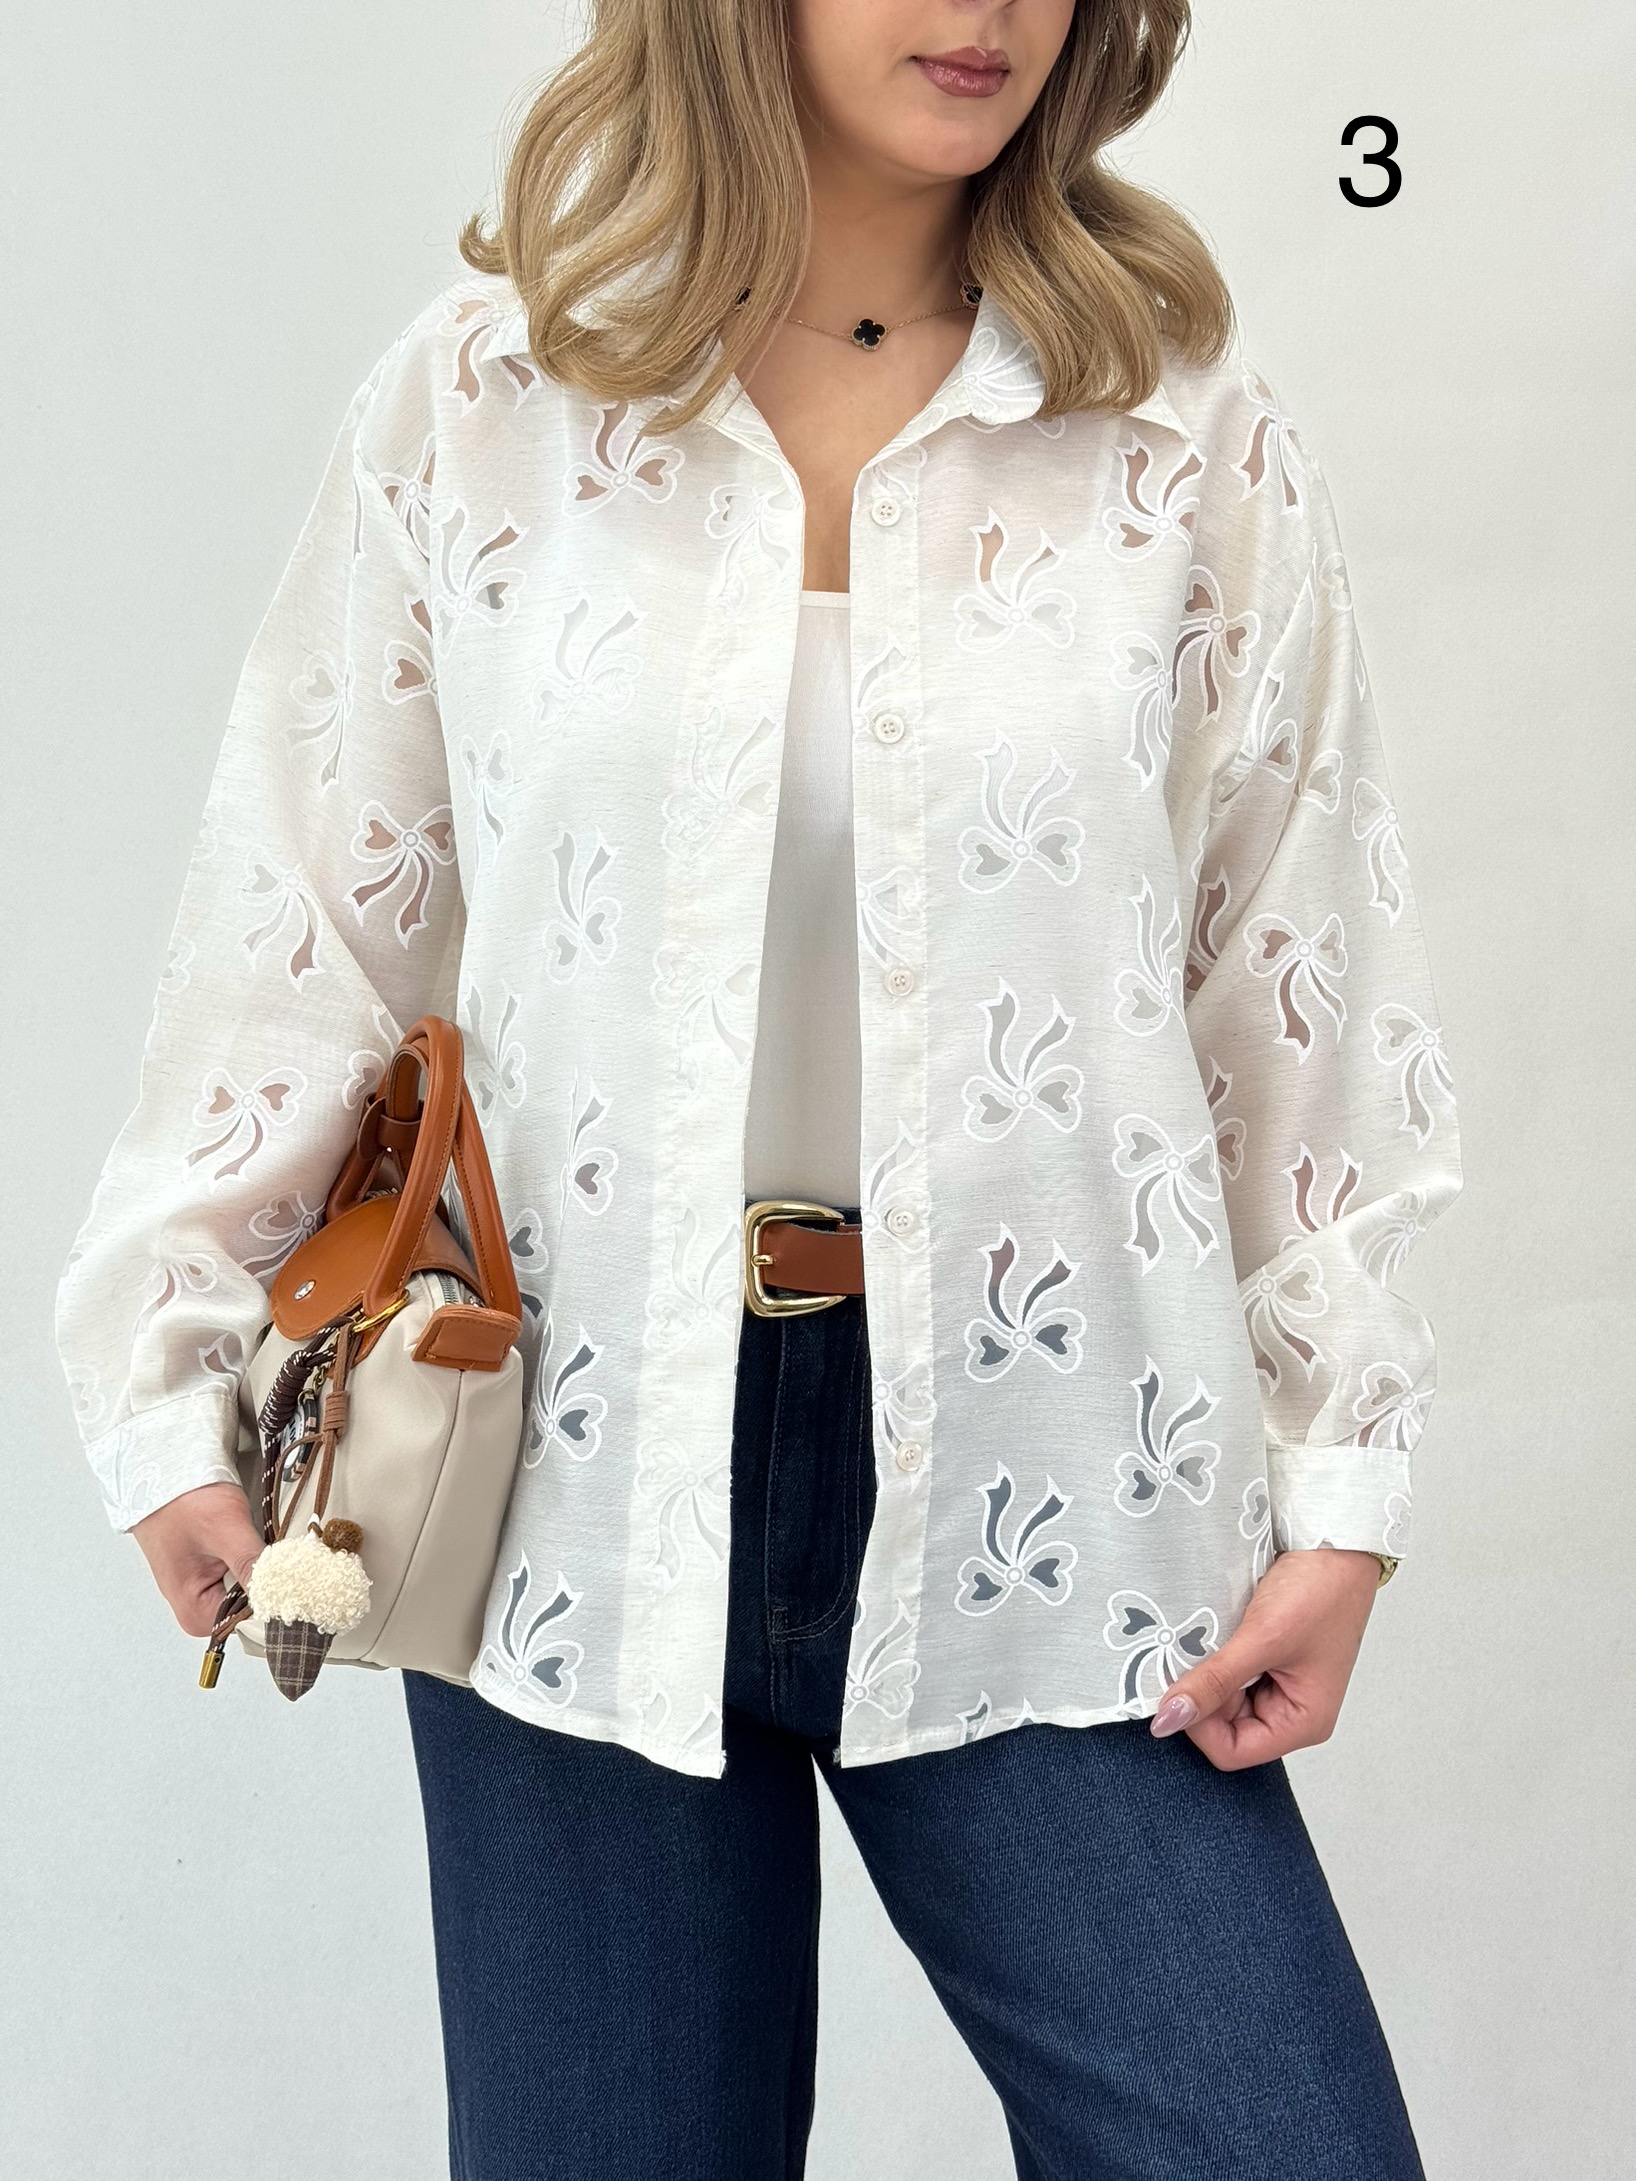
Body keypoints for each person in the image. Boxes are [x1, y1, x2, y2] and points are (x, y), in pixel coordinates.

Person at [54, 2, 1463, 2175]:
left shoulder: (1179, 430)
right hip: (570, 1467)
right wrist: (171, 1370)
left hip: (1051, 1458)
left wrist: (1340, 1474)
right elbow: (309, 916)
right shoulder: (485, 399)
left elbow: (1296, 967)